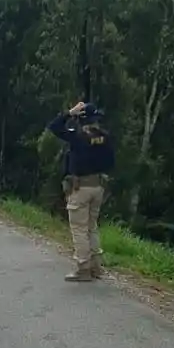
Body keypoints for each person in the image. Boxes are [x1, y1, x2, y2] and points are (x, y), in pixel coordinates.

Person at [47, 100, 115, 282]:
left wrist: (70, 112)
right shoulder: (105, 137)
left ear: (80, 119)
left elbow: (54, 127)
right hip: (98, 186)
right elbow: (111, 162)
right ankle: (96, 267)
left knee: (79, 229)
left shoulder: (77, 137)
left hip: (80, 187)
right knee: (92, 227)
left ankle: (83, 268)